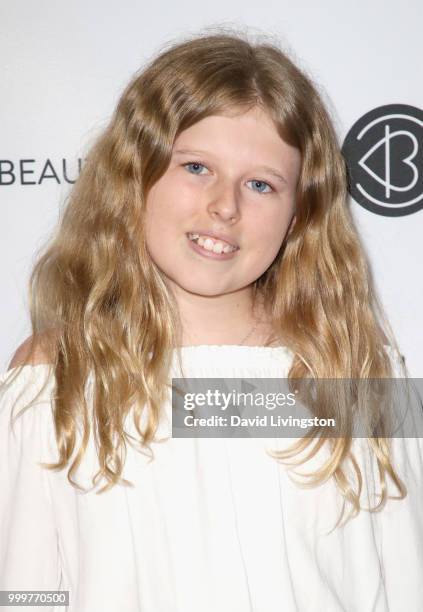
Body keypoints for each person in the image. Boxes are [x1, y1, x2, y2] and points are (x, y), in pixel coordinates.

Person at [1, 30, 422, 612]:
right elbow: (23, 588)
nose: (225, 206)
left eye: (260, 184)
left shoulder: (357, 370)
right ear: (135, 175)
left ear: (300, 212)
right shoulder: (56, 375)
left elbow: (406, 578)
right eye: (197, 167)